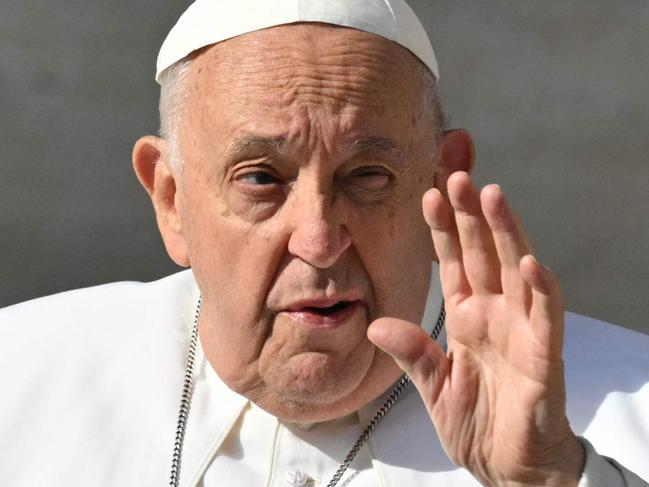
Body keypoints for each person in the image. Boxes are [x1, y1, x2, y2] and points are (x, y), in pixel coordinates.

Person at [1, 1, 648, 486]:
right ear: (171, 198)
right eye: (260, 178)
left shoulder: (628, 411)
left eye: (365, 176)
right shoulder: (20, 374)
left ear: (441, 180)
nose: (318, 239)